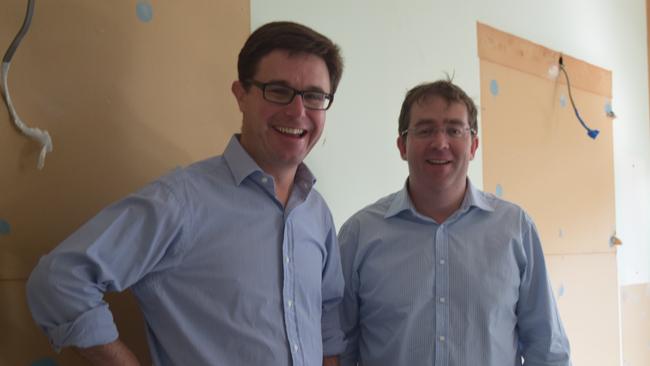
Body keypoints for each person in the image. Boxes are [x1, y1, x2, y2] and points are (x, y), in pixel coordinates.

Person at [27, 21, 345, 366]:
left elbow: (328, 314)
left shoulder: (316, 213)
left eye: (314, 95)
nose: (298, 111)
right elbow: (59, 281)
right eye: (278, 90)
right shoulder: (182, 202)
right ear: (241, 94)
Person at [337, 80, 571, 365]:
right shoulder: (359, 235)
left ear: (473, 145)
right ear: (402, 145)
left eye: (454, 130)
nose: (440, 143)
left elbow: (547, 348)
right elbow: (339, 348)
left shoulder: (516, 229)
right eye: (424, 130)